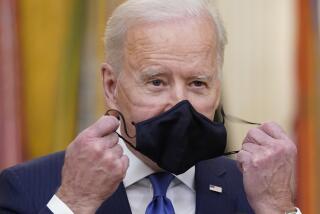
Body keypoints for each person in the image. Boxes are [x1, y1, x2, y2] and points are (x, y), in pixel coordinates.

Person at [0, 0, 299, 213]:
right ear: (111, 86)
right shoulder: (28, 187)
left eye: (197, 83)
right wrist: (74, 204)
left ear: (217, 90)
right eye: (157, 82)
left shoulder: (256, 192)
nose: (180, 104)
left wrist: (277, 208)